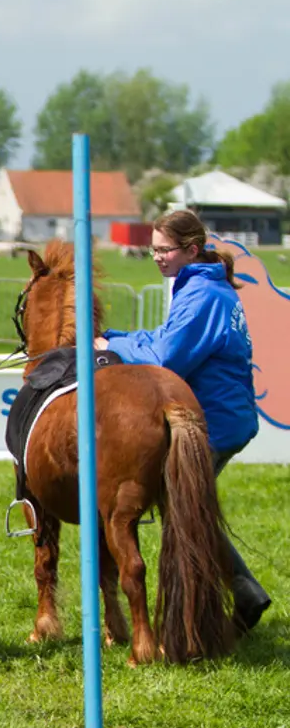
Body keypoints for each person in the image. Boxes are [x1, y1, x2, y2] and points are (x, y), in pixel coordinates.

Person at [95, 209, 269, 634]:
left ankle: (219, 607)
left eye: (164, 249)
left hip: (216, 424)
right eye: (152, 249)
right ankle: (243, 594)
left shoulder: (205, 295)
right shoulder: (199, 286)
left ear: (191, 250)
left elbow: (168, 357)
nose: (156, 257)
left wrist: (111, 346)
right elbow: (162, 339)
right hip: (219, 417)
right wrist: (116, 339)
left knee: (186, 512)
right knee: (186, 510)